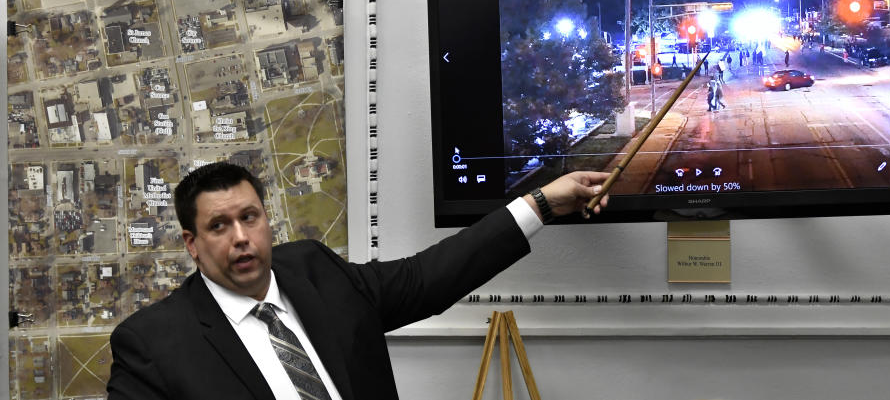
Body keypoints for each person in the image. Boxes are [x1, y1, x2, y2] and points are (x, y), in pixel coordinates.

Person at [106, 162, 609, 400]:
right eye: (219, 226)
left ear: (267, 220)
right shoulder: (152, 343)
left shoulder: (314, 270)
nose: (241, 238)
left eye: (250, 217)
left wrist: (541, 203)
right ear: (191, 243)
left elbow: (425, 278)